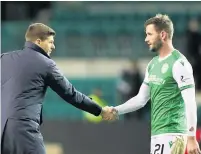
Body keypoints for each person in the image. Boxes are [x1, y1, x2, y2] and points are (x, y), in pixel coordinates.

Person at [1, 23, 117, 154]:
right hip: (23, 131)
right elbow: (71, 94)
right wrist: (100, 110)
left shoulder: (4, 59)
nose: (53, 46)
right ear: (38, 41)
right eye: (50, 42)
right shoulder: (45, 64)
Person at [110, 14, 201, 154]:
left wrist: (191, 137)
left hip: (174, 135)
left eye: (149, 34)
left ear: (163, 35)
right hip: (157, 134)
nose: (146, 39)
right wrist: (116, 110)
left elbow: (190, 102)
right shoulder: (153, 64)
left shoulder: (179, 63)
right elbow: (141, 99)